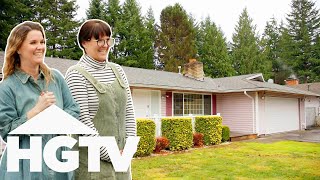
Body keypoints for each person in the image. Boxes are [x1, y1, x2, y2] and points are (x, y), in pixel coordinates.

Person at [0, 21, 80, 180]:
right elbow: (7, 132)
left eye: (42, 42)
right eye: (33, 42)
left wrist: (55, 116)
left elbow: (74, 110)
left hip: (59, 162)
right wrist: (36, 111)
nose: (40, 47)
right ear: (18, 49)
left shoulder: (56, 77)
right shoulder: (7, 87)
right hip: (24, 169)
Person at [65, 19, 136, 179]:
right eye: (99, 40)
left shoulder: (117, 70)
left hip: (121, 163)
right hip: (92, 166)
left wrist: (128, 150)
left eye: (108, 40)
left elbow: (129, 113)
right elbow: (82, 123)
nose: (105, 45)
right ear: (84, 42)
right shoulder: (76, 74)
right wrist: (112, 154)